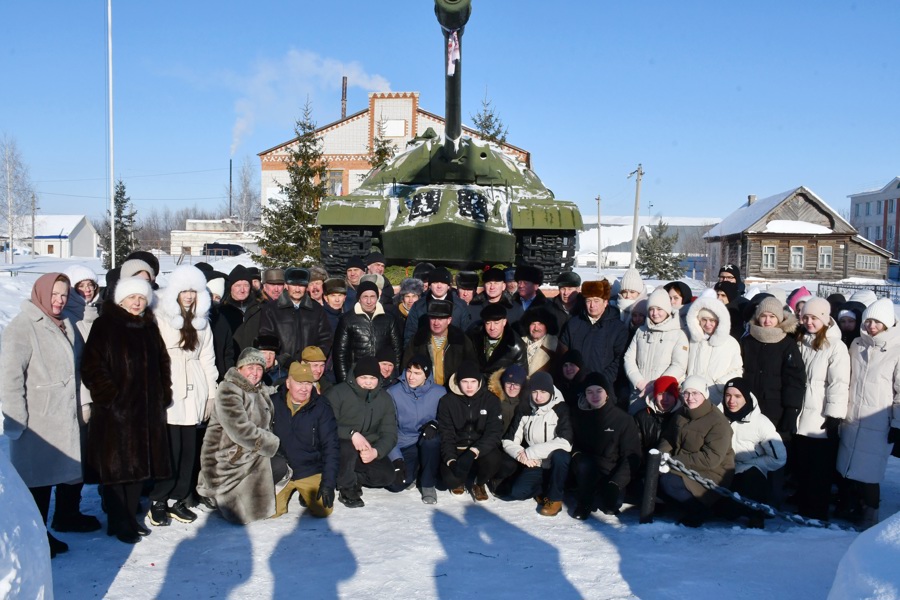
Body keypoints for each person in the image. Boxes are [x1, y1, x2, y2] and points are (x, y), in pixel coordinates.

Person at [1, 273, 96, 557]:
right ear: (41, 293)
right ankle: (35, 535)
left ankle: (65, 518)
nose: (59, 300)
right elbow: (9, 377)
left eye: (64, 295)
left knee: (66, 474)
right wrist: (15, 419)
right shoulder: (23, 326)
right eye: (54, 294)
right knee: (37, 483)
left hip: (65, 413)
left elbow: (78, 364)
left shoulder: (66, 322)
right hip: (38, 420)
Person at [81, 276, 172, 544]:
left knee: (138, 470)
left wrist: (163, 393)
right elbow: (91, 365)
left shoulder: (148, 326)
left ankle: (128, 518)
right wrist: (110, 397)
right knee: (114, 470)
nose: (137, 302)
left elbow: (162, 362)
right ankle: (119, 521)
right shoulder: (105, 324)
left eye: (142, 298)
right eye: (132, 297)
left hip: (145, 412)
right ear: (121, 299)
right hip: (115, 413)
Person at [149, 265, 220, 527]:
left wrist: (211, 394)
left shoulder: (203, 322)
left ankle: (178, 499)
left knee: (189, 450)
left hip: (195, 388)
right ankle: (158, 500)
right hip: (170, 386)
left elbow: (207, 358)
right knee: (169, 450)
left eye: (193, 291)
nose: (188, 296)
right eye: (184, 291)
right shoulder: (161, 318)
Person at [197, 348, 281, 524]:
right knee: (272, 460)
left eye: (259, 368)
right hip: (228, 456)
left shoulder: (258, 389)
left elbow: (268, 393)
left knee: (282, 463)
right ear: (240, 369)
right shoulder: (228, 390)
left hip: (247, 450)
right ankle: (215, 492)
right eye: (250, 367)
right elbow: (240, 430)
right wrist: (271, 443)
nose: (255, 373)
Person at [838, 298, 900, 529]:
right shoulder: (857, 344)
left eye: (877, 322)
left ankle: (870, 512)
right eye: (869, 321)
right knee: (848, 466)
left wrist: (897, 423)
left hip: (877, 419)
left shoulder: (897, 349)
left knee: (870, 472)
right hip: (853, 415)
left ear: (887, 323)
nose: (872, 326)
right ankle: (850, 506)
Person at [792, 297, 850, 521]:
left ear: (824, 319)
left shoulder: (836, 346)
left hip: (820, 417)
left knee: (820, 470)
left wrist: (834, 414)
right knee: (803, 467)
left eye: (814, 318)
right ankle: (803, 508)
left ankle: (817, 512)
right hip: (801, 414)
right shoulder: (801, 341)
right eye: (805, 317)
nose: (809, 322)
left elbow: (838, 382)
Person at [657, 375, 735, 527]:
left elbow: (710, 459)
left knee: (669, 482)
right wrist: (663, 453)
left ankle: (698, 510)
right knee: (651, 477)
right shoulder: (681, 413)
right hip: (683, 464)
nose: (690, 397)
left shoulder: (718, 422)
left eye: (695, 393)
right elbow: (668, 437)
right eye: (686, 393)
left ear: (704, 395)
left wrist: (674, 461)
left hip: (711, 472)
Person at [324, 356, 398, 508]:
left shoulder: (385, 399)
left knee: (387, 475)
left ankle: (353, 476)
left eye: (372, 377)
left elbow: (390, 433)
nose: (368, 382)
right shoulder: (337, 393)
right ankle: (347, 487)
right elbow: (325, 424)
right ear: (355, 376)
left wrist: (376, 452)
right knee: (347, 447)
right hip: (339, 447)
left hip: (367, 447)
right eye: (363, 377)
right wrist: (351, 433)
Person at [500, 372, 573, 517]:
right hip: (535, 463)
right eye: (535, 392)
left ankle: (555, 499)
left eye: (543, 392)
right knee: (517, 492)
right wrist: (521, 455)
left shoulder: (561, 409)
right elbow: (508, 440)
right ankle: (543, 490)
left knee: (561, 455)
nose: (538, 396)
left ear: (551, 392)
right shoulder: (525, 409)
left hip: (555, 463)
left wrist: (530, 451)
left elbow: (566, 442)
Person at [272, 362, 340, 518]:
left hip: (309, 470)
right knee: (270, 512)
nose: (304, 388)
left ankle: (306, 492)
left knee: (323, 509)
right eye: (299, 382)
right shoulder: (273, 403)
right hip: (282, 470)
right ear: (288, 383)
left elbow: (331, 446)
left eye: (308, 383)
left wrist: (328, 483)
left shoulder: (322, 407)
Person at [569, 372, 641, 520]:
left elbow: (632, 455)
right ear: (585, 395)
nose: (595, 395)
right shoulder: (578, 415)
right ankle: (584, 503)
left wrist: (616, 483)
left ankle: (608, 492)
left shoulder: (623, 419)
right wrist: (576, 456)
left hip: (612, 471)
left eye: (599, 391)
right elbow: (572, 442)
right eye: (590, 392)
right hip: (588, 469)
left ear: (607, 393)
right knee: (584, 465)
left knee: (611, 507)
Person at [721, 378, 786, 529]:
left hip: (751, 473)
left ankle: (757, 514)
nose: (732, 401)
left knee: (752, 477)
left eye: (737, 396)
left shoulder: (761, 423)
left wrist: (752, 464)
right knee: (724, 512)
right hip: (726, 470)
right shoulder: (719, 418)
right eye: (728, 395)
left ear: (746, 397)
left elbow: (779, 457)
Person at [437, 360, 504, 501]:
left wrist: (473, 452)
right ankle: (460, 479)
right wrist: (451, 460)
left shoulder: (490, 400)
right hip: (457, 447)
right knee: (450, 480)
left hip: (480, 449)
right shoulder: (447, 401)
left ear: (479, 381)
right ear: (458, 381)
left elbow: (494, 433)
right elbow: (446, 433)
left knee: (495, 460)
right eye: (464, 381)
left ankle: (479, 483)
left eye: (473, 381)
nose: (469, 386)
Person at [740, 296, 806, 436]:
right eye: (763, 316)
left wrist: (791, 409)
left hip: (776, 409)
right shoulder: (748, 340)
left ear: (779, 319)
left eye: (772, 316)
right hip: (749, 405)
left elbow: (794, 379)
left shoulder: (787, 344)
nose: (767, 320)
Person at [386, 355, 445, 504]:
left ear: (426, 375)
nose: (411, 377)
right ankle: (416, 470)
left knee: (431, 441)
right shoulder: (393, 392)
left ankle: (427, 484)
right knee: (396, 485)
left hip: (428, 440)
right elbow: (387, 428)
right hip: (404, 442)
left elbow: (447, 419)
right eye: (409, 371)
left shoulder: (439, 392)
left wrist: (435, 424)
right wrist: (396, 459)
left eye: (417, 373)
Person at [622, 288, 689, 414]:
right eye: (651, 309)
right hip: (638, 393)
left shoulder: (678, 334)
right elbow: (628, 358)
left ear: (667, 310)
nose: (655, 313)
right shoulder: (641, 331)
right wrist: (639, 382)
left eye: (659, 309)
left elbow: (679, 365)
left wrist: (655, 386)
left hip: (663, 395)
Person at [558, 279, 629, 388]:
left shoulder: (618, 328)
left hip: (603, 388)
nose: (592, 305)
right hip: (574, 386)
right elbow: (564, 354)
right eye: (588, 301)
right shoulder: (574, 324)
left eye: (596, 301)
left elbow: (619, 360)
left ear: (605, 302)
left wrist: (602, 381)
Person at [259, 267, 333, 368]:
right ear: (286, 285)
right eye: (294, 285)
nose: (297, 289)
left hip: (310, 368)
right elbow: (267, 339)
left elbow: (325, 338)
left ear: (306, 287)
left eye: (301, 285)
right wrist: (284, 360)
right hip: (281, 368)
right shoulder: (271, 309)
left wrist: (313, 359)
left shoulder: (316, 309)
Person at [333, 280, 402, 383]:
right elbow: (340, 353)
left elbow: (397, 350)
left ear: (377, 298)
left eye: (372, 296)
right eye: (365, 297)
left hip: (382, 377)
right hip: (356, 377)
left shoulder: (389, 319)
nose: (369, 301)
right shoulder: (347, 320)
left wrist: (393, 377)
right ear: (359, 299)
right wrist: (344, 381)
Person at [402, 299, 478, 386]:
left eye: (441, 319)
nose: (436, 323)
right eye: (433, 318)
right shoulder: (418, 339)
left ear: (449, 320)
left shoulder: (460, 340)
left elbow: (472, 366)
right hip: (425, 390)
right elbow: (406, 365)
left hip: (453, 390)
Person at [684, 296, 743, 405]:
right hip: (691, 396)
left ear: (720, 321)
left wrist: (719, 385)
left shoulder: (730, 343)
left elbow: (737, 370)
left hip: (716, 396)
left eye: (712, 320)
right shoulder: (692, 340)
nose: (707, 324)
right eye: (704, 320)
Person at [403, 267, 471, 345]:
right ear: (430, 285)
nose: (439, 286)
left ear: (448, 286)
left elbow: (466, 336)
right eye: (435, 282)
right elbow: (410, 336)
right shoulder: (418, 306)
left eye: (443, 283)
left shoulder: (460, 306)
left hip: (453, 352)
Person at [467, 303, 526, 379]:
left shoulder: (515, 345)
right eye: (488, 323)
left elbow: (520, 375)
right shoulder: (473, 335)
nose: (492, 328)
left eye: (496, 323)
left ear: (504, 322)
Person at [634, 376, 682, 458]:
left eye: (670, 394)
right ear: (655, 395)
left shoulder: (682, 417)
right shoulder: (641, 417)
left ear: (676, 396)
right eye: (661, 394)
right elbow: (634, 447)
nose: (665, 399)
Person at [489, 364, 528, 435]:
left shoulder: (527, 404)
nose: (512, 388)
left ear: (522, 386)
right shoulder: (493, 401)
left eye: (516, 384)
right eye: (509, 383)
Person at [520, 308, 559, 376]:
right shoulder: (518, 344)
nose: (536, 328)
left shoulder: (557, 347)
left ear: (547, 326)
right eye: (533, 324)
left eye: (540, 324)